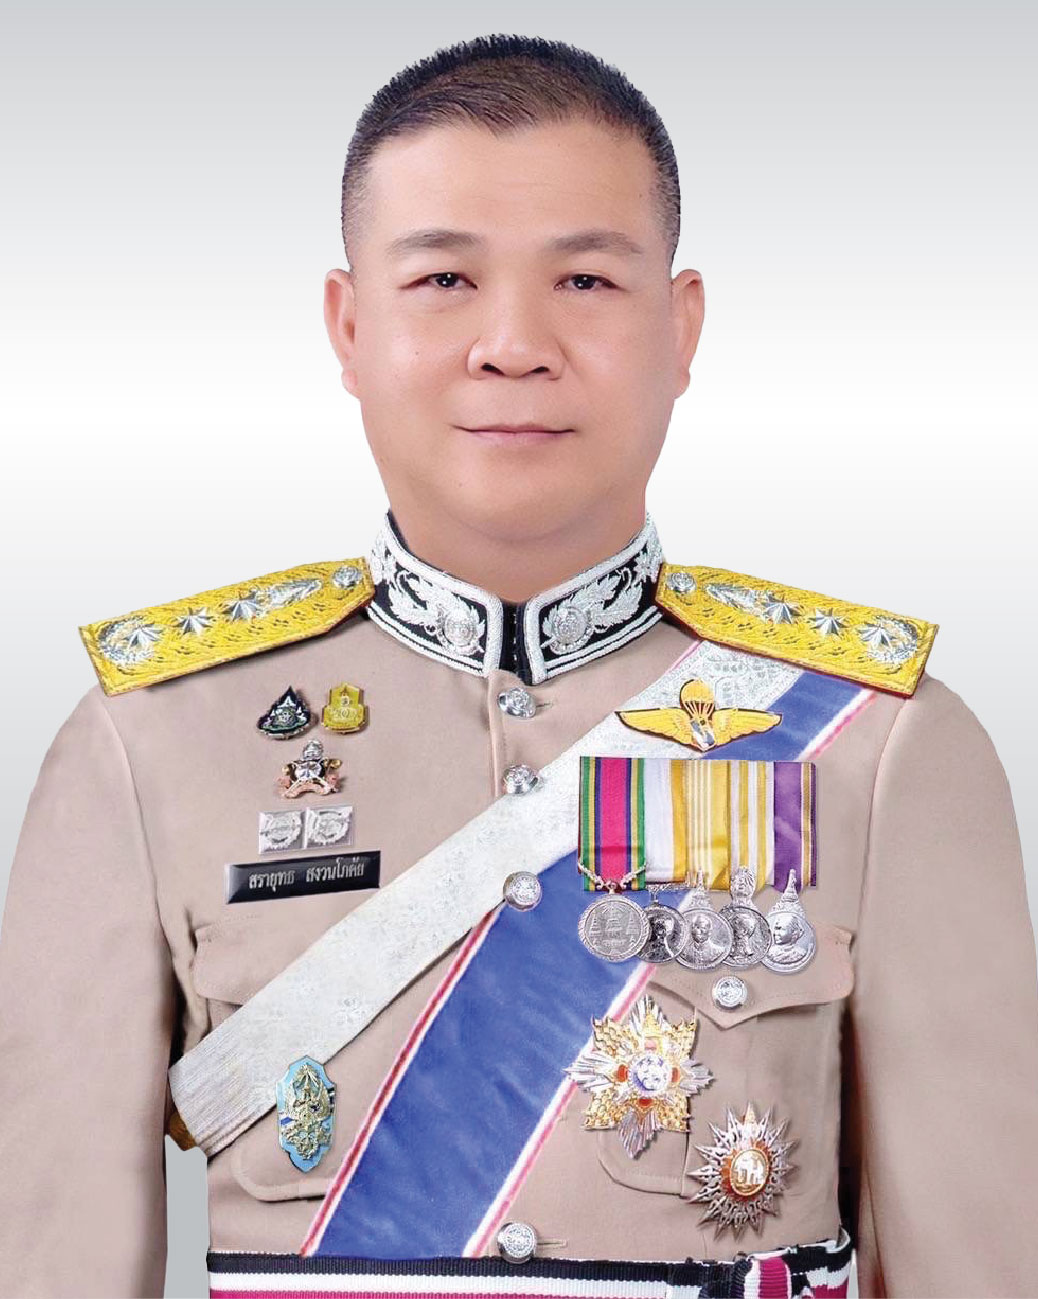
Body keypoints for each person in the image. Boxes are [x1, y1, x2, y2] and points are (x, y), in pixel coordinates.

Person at [1, 31, 1036, 1299]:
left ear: (681, 326)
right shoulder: (152, 742)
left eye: (585, 281)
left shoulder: (878, 742)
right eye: (443, 277)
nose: (512, 343)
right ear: (348, 325)